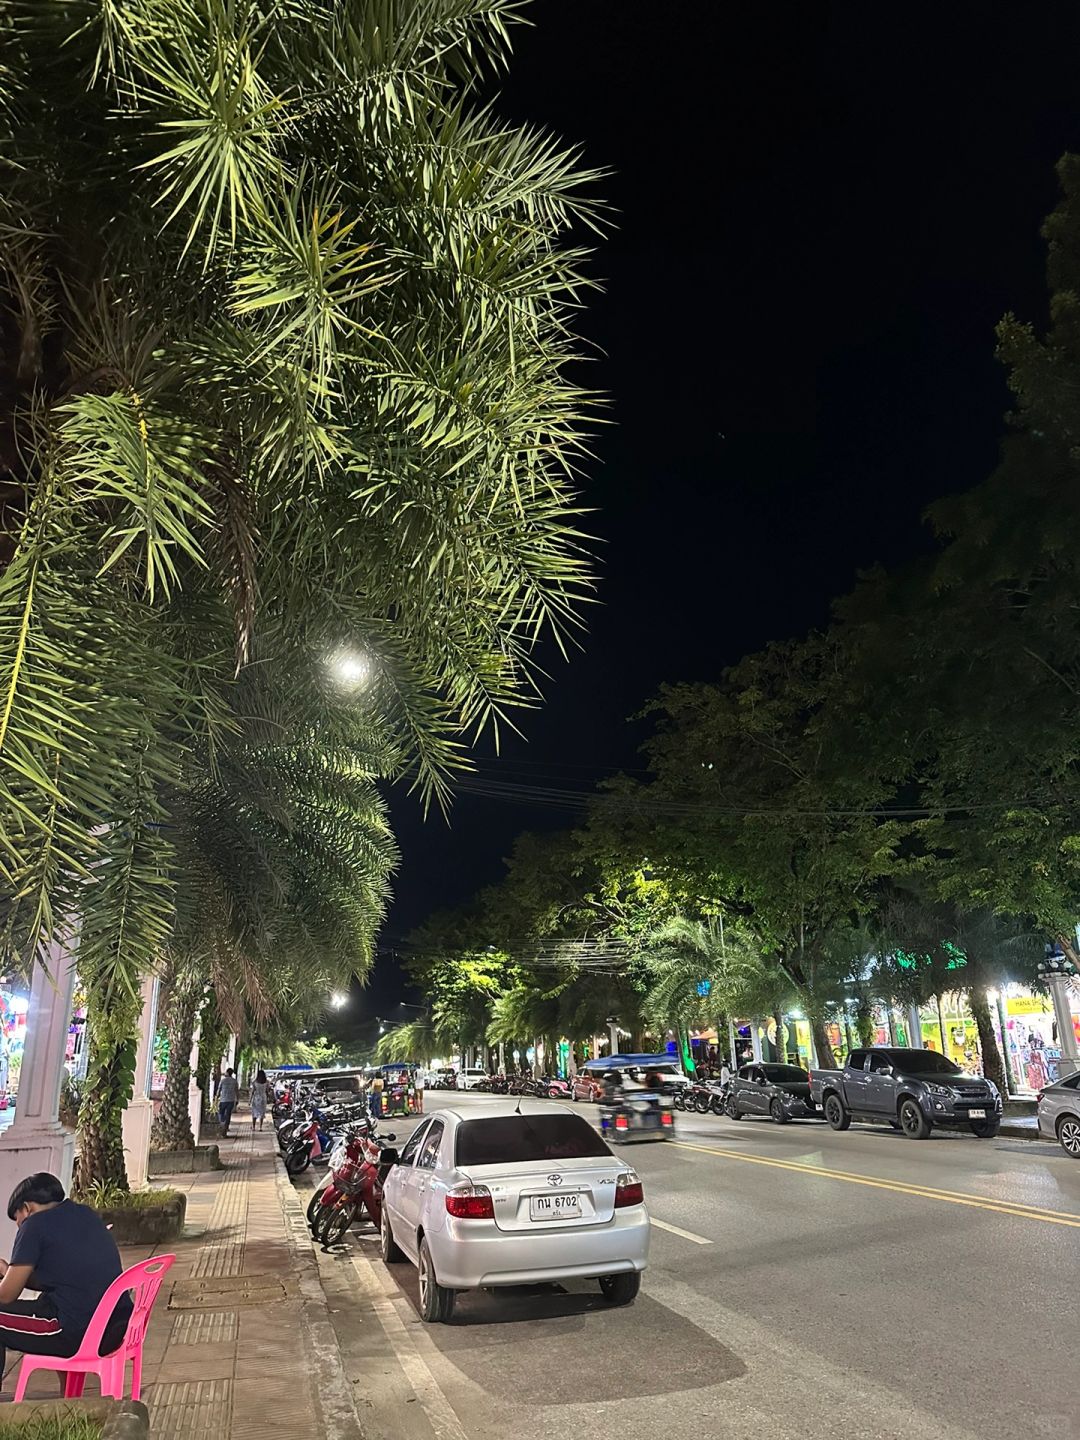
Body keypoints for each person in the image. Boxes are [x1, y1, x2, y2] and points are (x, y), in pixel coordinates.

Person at [0, 1173, 131, 1388]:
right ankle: (68, 1392)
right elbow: (61, 1278)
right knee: (46, 1299)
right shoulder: (84, 1213)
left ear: (27, 1208)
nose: (19, 1226)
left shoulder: (34, 1226)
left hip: (76, 1333)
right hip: (115, 1325)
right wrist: (8, 1272)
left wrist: (9, 1278)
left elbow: (6, 1295)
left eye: (18, 1219)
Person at [217, 1068, 239, 1137]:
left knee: (221, 1114)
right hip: (231, 1101)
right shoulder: (234, 1081)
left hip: (223, 1100)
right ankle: (225, 1129)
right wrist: (237, 1099)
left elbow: (219, 1090)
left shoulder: (223, 1081)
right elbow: (237, 1091)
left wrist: (216, 1097)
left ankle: (222, 1126)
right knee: (228, 1115)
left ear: (227, 1073)